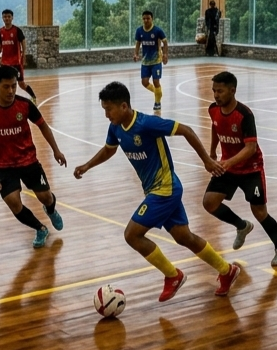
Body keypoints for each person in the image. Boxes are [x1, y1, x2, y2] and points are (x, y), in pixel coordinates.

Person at [73, 82, 241, 301]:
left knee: (132, 235)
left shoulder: (146, 124)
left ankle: (173, 275)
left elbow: (187, 130)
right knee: (184, 237)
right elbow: (108, 150)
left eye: (109, 109)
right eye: (104, 109)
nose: (106, 114)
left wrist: (207, 160)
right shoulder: (115, 127)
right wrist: (87, 166)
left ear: (124, 106)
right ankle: (227, 271)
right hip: (156, 190)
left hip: (165, 189)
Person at [0, 65, 66, 248]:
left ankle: (50, 209)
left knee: (46, 197)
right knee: (13, 202)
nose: (11, 91)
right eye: (6, 87)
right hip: (3, 166)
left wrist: (56, 150)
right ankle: (40, 228)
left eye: (13, 86)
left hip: (29, 161)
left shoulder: (25, 105)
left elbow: (43, 125)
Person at [202, 71, 277, 267]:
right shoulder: (213, 109)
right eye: (214, 91)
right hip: (228, 166)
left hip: (251, 169)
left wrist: (228, 162)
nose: (216, 95)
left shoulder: (245, 115)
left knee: (259, 212)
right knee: (209, 202)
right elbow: (215, 127)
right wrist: (212, 151)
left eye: (220, 91)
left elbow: (251, 148)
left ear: (232, 90)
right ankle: (241, 226)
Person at [0, 9, 36, 99]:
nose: (7, 18)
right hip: (5, 63)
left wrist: (24, 54)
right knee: (4, 82)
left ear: (12, 18)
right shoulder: (1, 31)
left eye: (9, 16)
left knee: (21, 83)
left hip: (16, 63)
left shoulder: (17, 30)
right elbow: (0, 45)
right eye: (5, 17)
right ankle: (6, 98)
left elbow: (23, 41)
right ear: (2, 18)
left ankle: (33, 97)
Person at [133, 11, 169, 110]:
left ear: (152, 19)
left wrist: (165, 54)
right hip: (145, 61)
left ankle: (157, 102)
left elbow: (165, 42)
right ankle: (158, 92)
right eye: (144, 18)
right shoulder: (139, 31)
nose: (146, 20)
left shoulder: (157, 30)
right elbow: (137, 44)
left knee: (156, 81)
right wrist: (136, 54)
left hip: (156, 61)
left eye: (148, 18)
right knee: (144, 82)